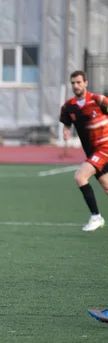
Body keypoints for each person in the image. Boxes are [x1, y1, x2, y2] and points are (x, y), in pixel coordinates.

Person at [59, 70, 108, 231]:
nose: (76, 85)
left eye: (79, 82)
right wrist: (66, 131)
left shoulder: (97, 100)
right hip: (91, 151)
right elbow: (67, 124)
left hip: (104, 148)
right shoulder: (68, 106)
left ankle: (96, 216)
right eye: (73, 83)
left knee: (80, 176)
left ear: (86, 83)